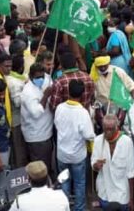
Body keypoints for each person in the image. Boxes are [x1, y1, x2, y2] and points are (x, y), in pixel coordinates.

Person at [54, 79, 95, 211]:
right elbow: (89, 135)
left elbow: (57, 125)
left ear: (68, 92)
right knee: (79, 183)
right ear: (82, 94)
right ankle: (79, 208)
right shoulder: (83, 113)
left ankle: (63, 208)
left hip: (62, 155)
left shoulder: (60, 108)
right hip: (78, 156)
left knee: (64, 182)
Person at [92, 114, 134, 211]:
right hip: (105, 194)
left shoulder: (127, 142)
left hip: (122, 195)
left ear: (117, 127)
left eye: (111, 129)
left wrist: (131, 199)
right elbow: (93, 164)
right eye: (105, 129)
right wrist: (96, 166)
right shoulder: (98, 141)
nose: (108, 132)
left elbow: (131, 172)